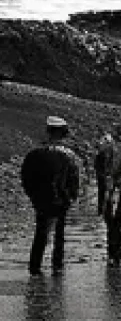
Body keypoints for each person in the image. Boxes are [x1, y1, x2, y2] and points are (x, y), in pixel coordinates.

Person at [20, 116, 82, 274]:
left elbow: (26, 178)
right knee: (59, 234)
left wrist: (32, 196)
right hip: (61, 199)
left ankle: (35, 266)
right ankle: (57, 265)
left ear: (48, 132)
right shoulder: (69, 155)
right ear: (63, 134)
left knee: (40, 232)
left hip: (40, 199)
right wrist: (70, 197)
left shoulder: (34, 154)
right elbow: (74, 179)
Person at [100, 125, 121, 261]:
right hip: (118, 184)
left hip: (112, 184)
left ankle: (113, 246)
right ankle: (115, 247)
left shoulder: (109, 147)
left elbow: (104, 167)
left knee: (111, 215)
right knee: (117, 215)